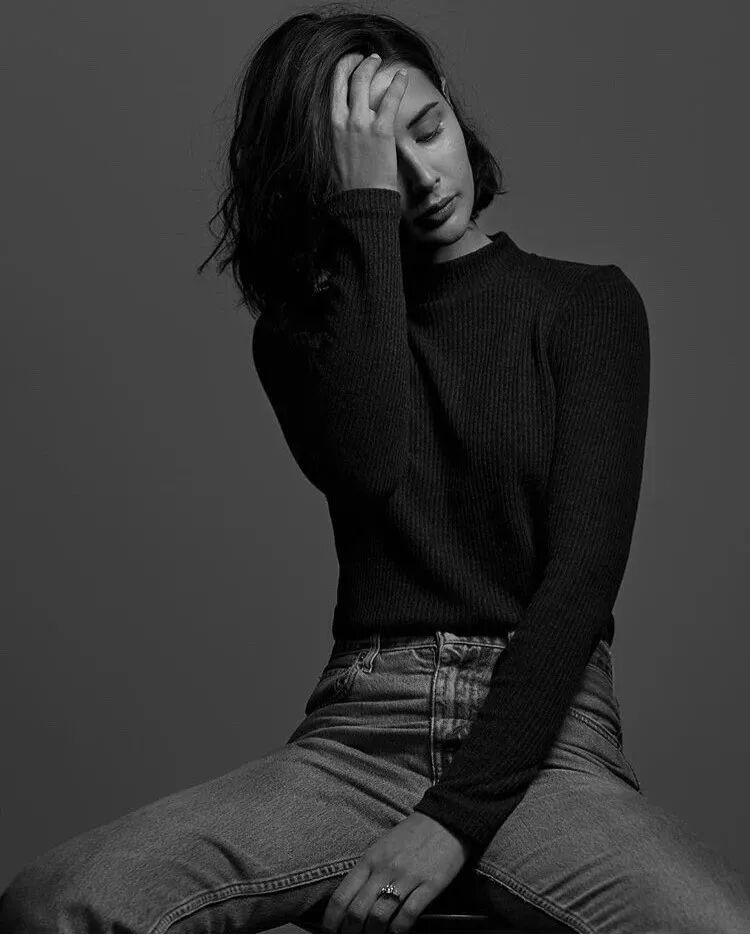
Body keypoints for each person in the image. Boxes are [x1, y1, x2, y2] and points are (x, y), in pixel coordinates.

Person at [2, 5, 750, 933]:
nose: (424, 178)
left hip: (545, 738)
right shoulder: (304, 341)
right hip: (362, 738)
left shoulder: (587, 306)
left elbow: (580, 584)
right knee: (56, 902)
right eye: (379, 167)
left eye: (428, 129)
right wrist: (366, 215)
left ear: (457, 112)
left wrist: (450, 822)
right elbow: (371, 463)